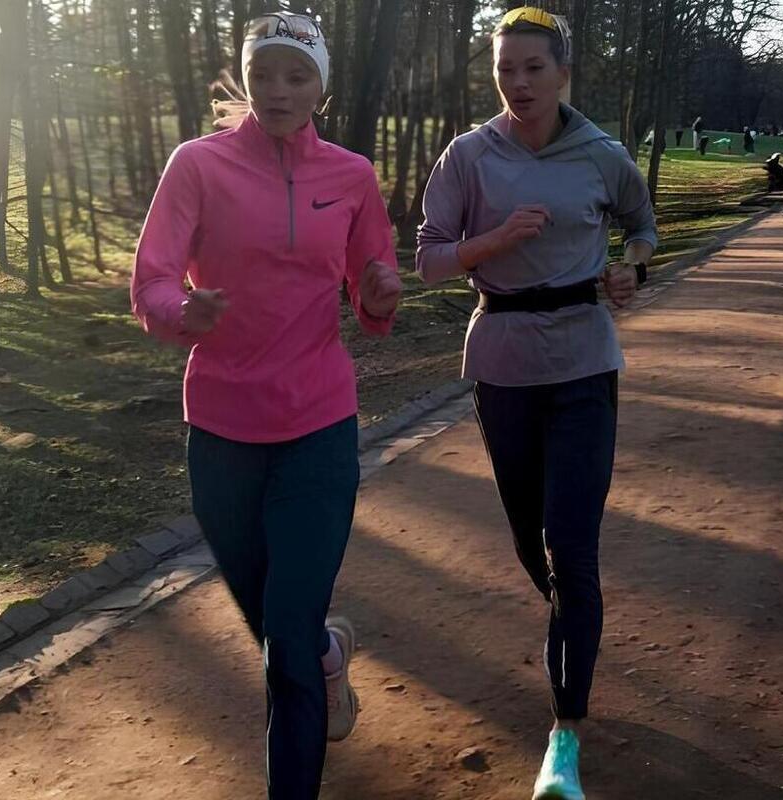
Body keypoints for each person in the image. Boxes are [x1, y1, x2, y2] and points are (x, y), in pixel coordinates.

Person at [130, 12, 402, 798]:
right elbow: (150, 281)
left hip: (318, 425)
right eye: (263, 73)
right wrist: (183, 312)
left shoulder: (351, 176)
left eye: (297, 75)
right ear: (245, 78)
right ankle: (326, 657)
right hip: (222, 433)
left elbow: (373, 293)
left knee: (284, 647)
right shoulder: (197, 165)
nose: (278, 90)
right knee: (282, 631)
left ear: (322, 87)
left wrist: (380, 294)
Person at [415, 7, 657, 799]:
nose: (517, 83)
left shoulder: (602, 154)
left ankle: (564, 738)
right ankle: (574, 625)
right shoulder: (467, 156)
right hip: (503, 364)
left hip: (584, 361)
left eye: (533, 68)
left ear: (563, 74)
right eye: (505, 69)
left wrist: (633, 268)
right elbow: (428, 262)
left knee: (570, 549)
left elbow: (641, 225)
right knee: (534, 549)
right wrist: (496, 241)